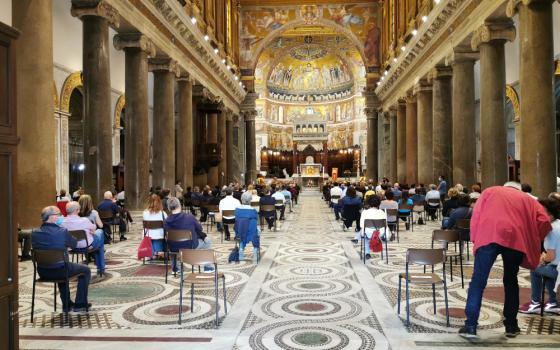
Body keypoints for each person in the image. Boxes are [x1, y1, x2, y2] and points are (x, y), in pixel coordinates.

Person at [459, 182, 552, 339]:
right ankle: (511, 325)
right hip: (515, 239)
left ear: (505, 186)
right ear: (518, 189)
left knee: (478, 281)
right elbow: (544, 221)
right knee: (510, 281)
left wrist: (475, 238)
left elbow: (477, 214)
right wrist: (534, 237)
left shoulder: (489, 191)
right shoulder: (527, 199)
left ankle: (471, 326)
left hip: (489, 235)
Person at [32, 206, 91, 311]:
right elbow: (74, 244)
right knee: (85, 270)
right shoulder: (62, 231)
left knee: (59, 264)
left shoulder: (34, 232)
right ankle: (80, 303)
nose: (61, 216)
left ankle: (67, 304)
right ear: (52, 217)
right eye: (59, 214)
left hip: (43, 271)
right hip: (61, 270)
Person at [519, 198, 560, 314]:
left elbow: (551, 257)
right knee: (545, 269)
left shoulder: (551, 230)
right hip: (557, 267)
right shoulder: (558, 223)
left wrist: (542, 260)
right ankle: (553, 302)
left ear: (549, 214)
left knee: (535, 268)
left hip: (557, 269)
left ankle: (535, 302)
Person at [164, 197, 213, 272]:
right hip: (190, 246)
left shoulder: (166, 221)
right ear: (180, 205)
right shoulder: (189, 217)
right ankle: (208, 267)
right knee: (208, 241)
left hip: (173, 248)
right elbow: (200, 228)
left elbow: (166, 235)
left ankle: (176, 268)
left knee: (171, 243)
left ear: (169, 208)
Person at [61, 201, 106, 276]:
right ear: (77, 210)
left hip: (71, 247)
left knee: (97, 237)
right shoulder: (84, 220)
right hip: (86, 246)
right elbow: (94, 228)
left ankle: (100, 266)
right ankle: (100, 268)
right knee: (100, 233)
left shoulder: (62, 222)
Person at [234, 191, 260, 262]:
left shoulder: (237, 210)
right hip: (252, 232)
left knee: (242, 232)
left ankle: (241, 249)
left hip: (240, 231)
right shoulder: (253, 211)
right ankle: (255, 249)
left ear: (242, 199)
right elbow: (256, 223)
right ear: (250, 200)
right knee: (256, 232)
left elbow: (236, 221)